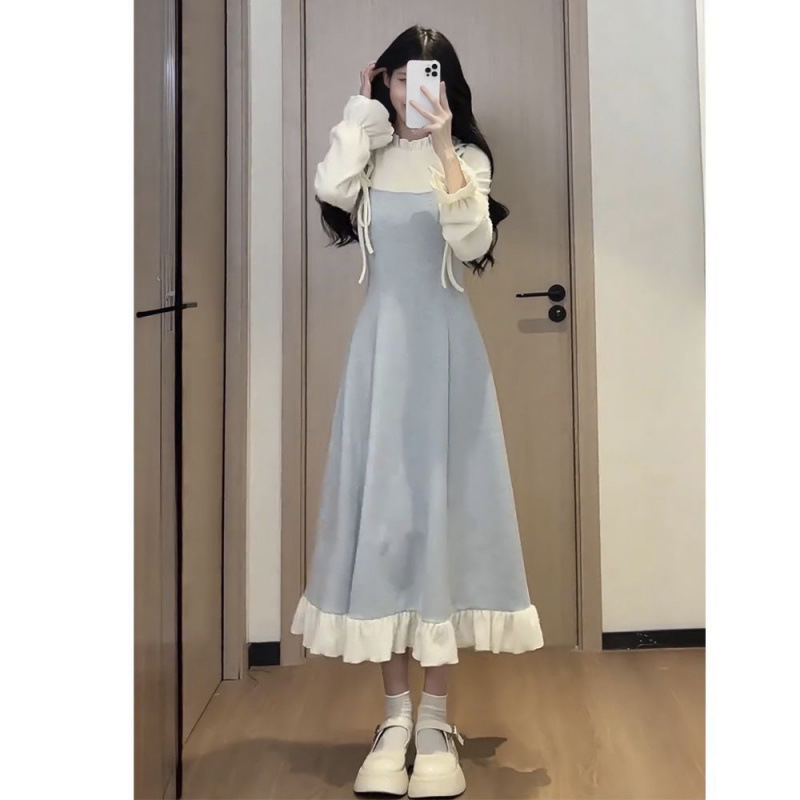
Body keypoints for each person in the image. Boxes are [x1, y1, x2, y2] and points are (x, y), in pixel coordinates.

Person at [290, 25, 545, 798]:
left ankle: (435, 719)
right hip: (381, 359)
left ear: (447, 84)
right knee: (389, 525)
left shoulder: (465, 159)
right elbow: (332, 190)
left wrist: (440, 149)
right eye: (400, 78)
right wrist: (360, 111)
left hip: (447, 362)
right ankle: (394, 717)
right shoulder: (368, 152)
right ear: (386, 81)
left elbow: (471, 243)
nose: (411, 92)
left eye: (423, 78)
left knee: (442, 521)